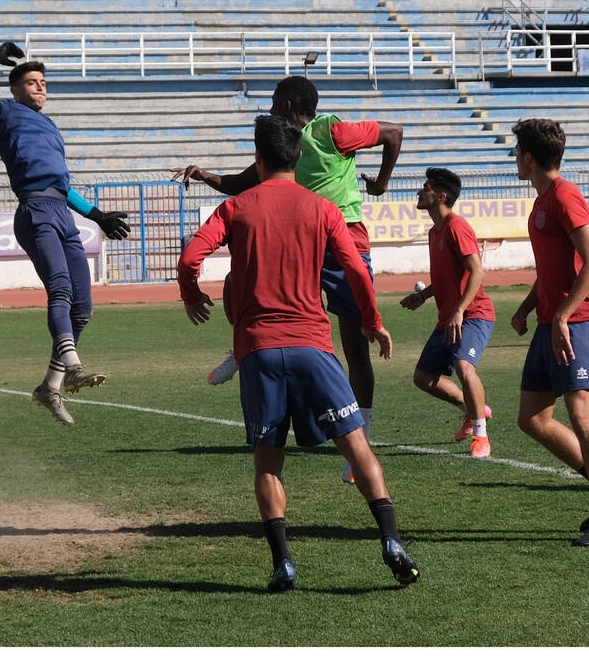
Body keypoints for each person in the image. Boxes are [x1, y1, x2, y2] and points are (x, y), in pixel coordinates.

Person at [177, 113, 418, 591]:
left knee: (269, 461)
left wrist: (190, 293)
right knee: (356, 446)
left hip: (259, 351)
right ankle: (391, 541)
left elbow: (190, 258)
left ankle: (284, 563)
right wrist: (373, 322)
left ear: (259, 158)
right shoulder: (324, 209)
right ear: (299, 156)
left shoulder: (237, 207)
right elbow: (355, 270)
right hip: (312, 345)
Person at [173, 75, 403, 483]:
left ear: (291, 103)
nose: (271, 107)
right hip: (301, 232)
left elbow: (393, 133)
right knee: (237, 280)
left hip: (342, 233)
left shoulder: (333, 130)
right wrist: (205, 175)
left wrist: (382, 182)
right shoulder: (282, 146)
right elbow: (245, 183)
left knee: (354, 342)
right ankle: (242, 350)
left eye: (276, 101)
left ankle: (360, 436)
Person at [0, 42, 131, 426]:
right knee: (61, 290)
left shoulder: (50, 127)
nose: (41, 89)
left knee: (83, 308)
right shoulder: (4, 110)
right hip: (34, 210)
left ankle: (49, 387)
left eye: (44, 84)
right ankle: (72, 366)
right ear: (16, 88)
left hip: (62, 214)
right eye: (33, 83)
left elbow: (62, 185)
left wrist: (97, 215)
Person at [509, 118, 589, 548]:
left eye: (517, 152)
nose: (514, 159)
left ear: (529, 157)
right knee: (533, 419)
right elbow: (552, 271)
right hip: (548, 325)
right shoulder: (542, 201)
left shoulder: (566, 196)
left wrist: (562, 316)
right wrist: (527, 308)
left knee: (580, 416)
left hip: (575, 324)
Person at [399, 168, 495, 458]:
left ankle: (481, 437)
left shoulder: (457, 226)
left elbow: (476, 271)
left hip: (474, 314)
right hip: (450, 318)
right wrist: (423, 296)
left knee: (465, 367)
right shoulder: (434, 231)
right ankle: (472, 409)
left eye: (425, 187)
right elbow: (444, 277)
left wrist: (459, 310)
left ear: (440, 196)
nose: (419, 192)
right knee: (423, 378)